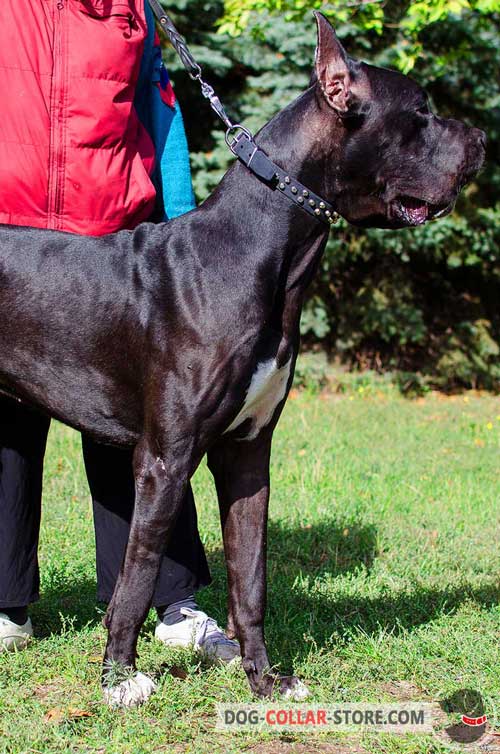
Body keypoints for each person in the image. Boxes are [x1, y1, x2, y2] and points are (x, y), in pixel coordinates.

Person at [0, 1, 239, 663]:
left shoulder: (130, 7)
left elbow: (160, 118)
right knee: (5, 429)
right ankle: (4, 607)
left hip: (108, 242)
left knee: (137, 422)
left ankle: (171, 605)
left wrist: (184, 223)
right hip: (6, 243)